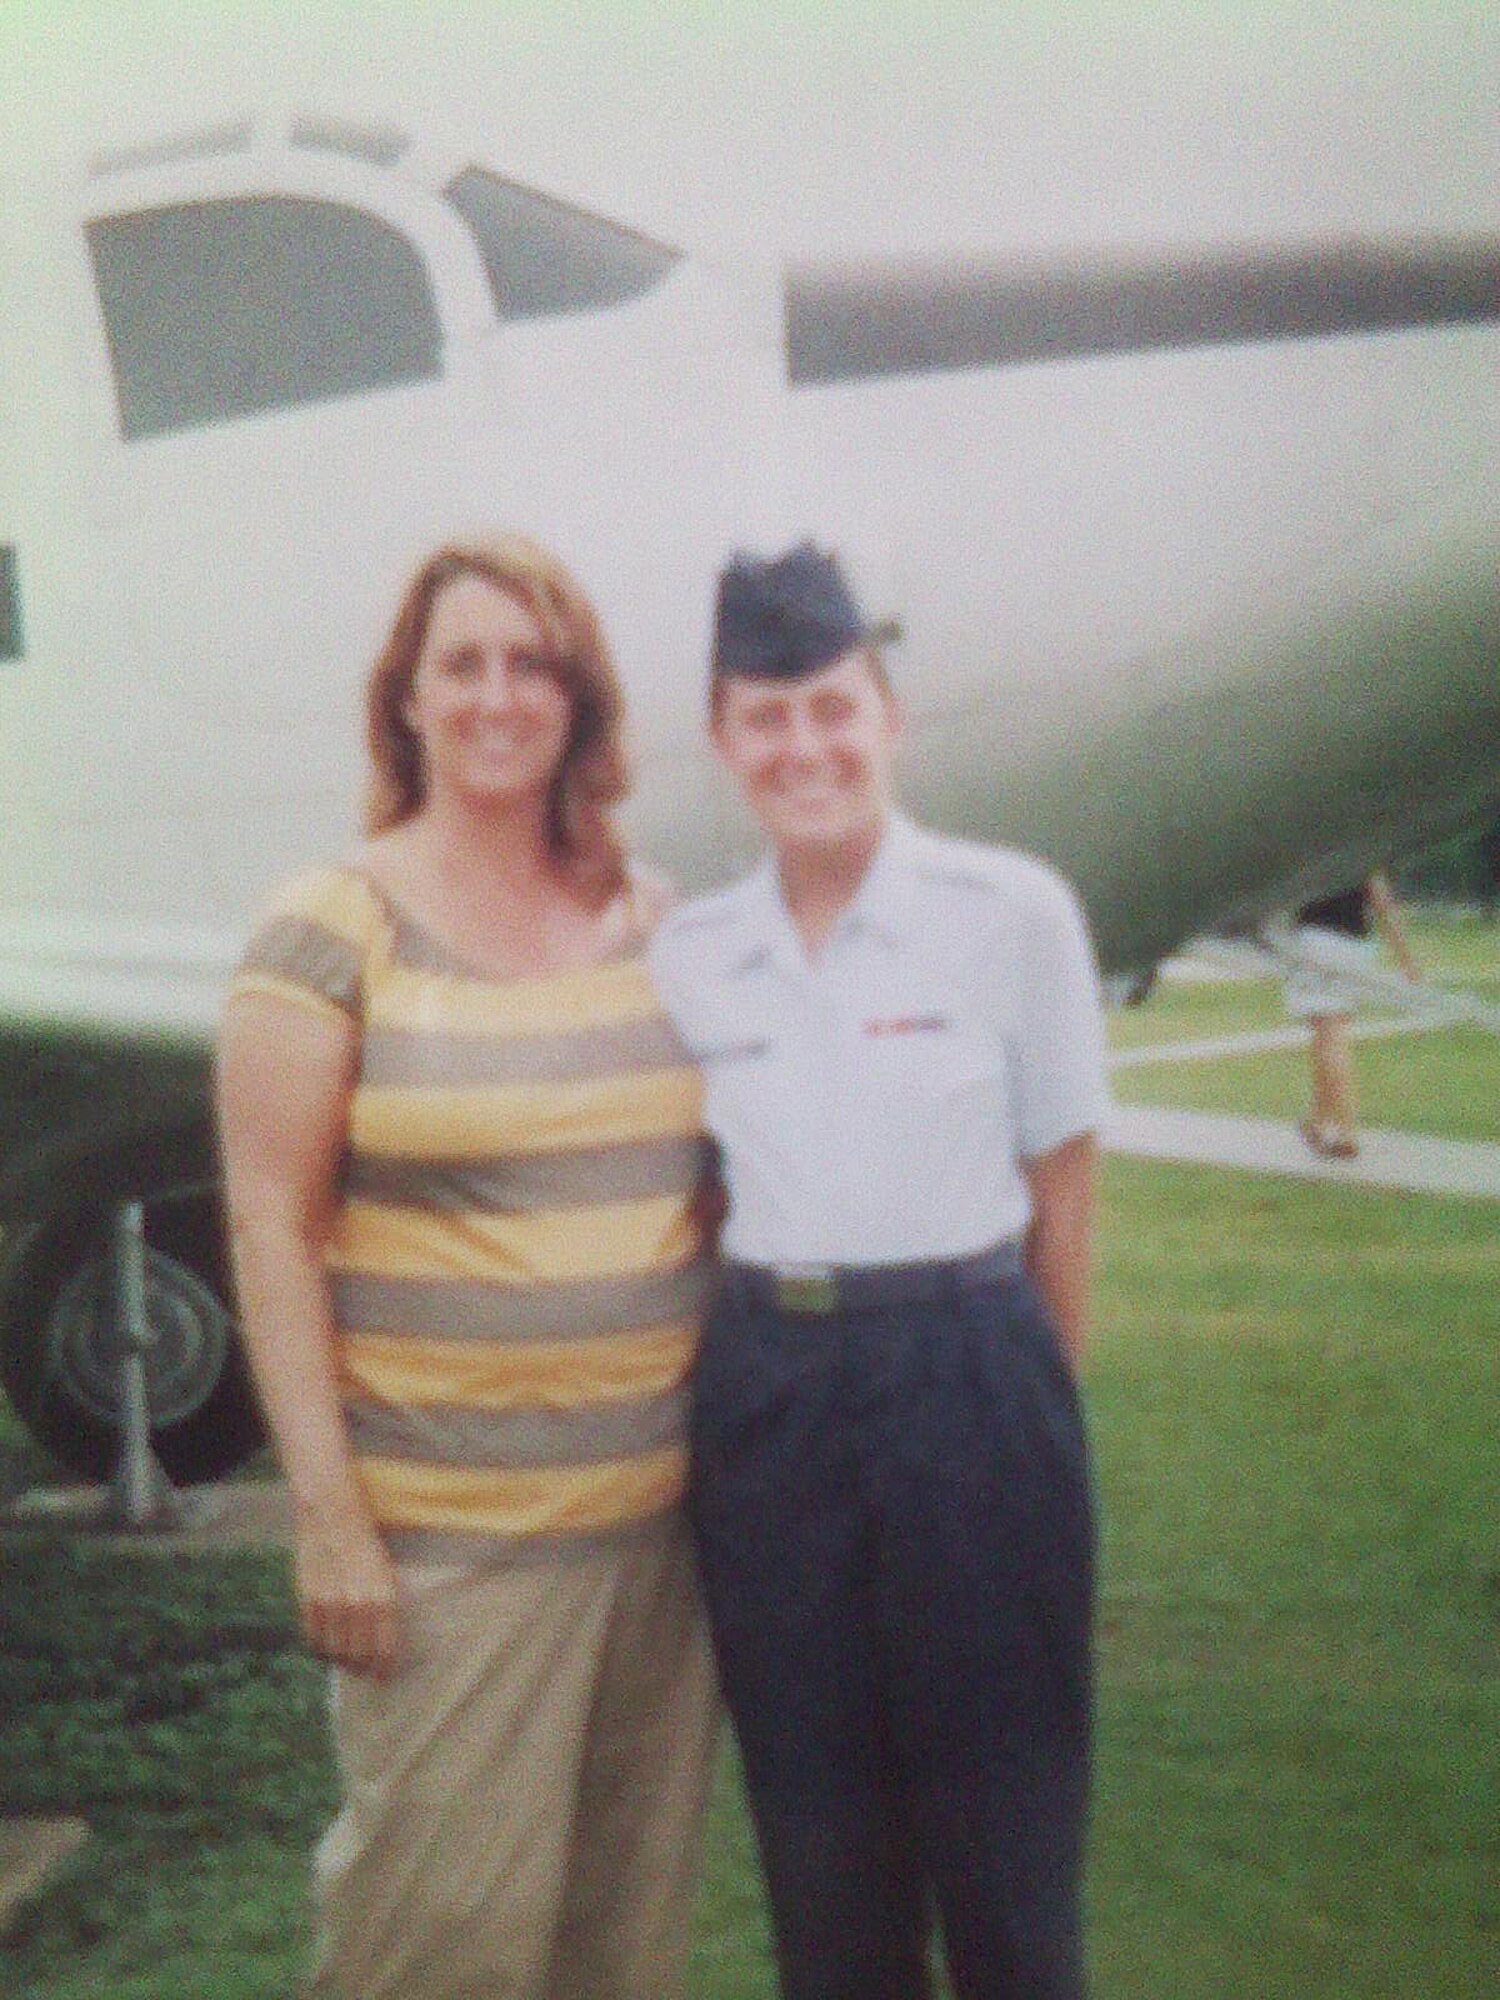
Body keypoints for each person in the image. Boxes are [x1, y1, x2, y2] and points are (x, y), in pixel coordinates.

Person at [214, 535, 718, 2000]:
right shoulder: (330, 927)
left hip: (660, 1543)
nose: (500, 696)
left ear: (577, 701)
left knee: (616, 1959)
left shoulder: (658, 922)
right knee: (432, 1957)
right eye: (464, 664)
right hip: (450, 1560)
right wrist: (329, 1525)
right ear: (410, 701)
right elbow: (269, 1229)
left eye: (531, 664)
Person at [649, 543, 1110, 2000]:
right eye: (767, 720)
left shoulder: (1013, 912)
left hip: (971, 1372)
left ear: (889, 716)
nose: (807, 748)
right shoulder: (693, 952)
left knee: (1010, 1867)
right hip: (772, 1401)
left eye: (833, 708)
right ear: (724, 743)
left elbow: (1066, 1195)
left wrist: (1026, 1431)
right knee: (824, 1872)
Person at [1285, 874, 1419, 1159]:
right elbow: (1382, 903)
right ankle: (1318, 1120)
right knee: (1327, 1036)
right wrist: (1406, 959)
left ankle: (1345, 1130)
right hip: (1355, 947)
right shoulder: (1361, 847)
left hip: (1316, 940)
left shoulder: (1308, 846)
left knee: (1329, 1037)